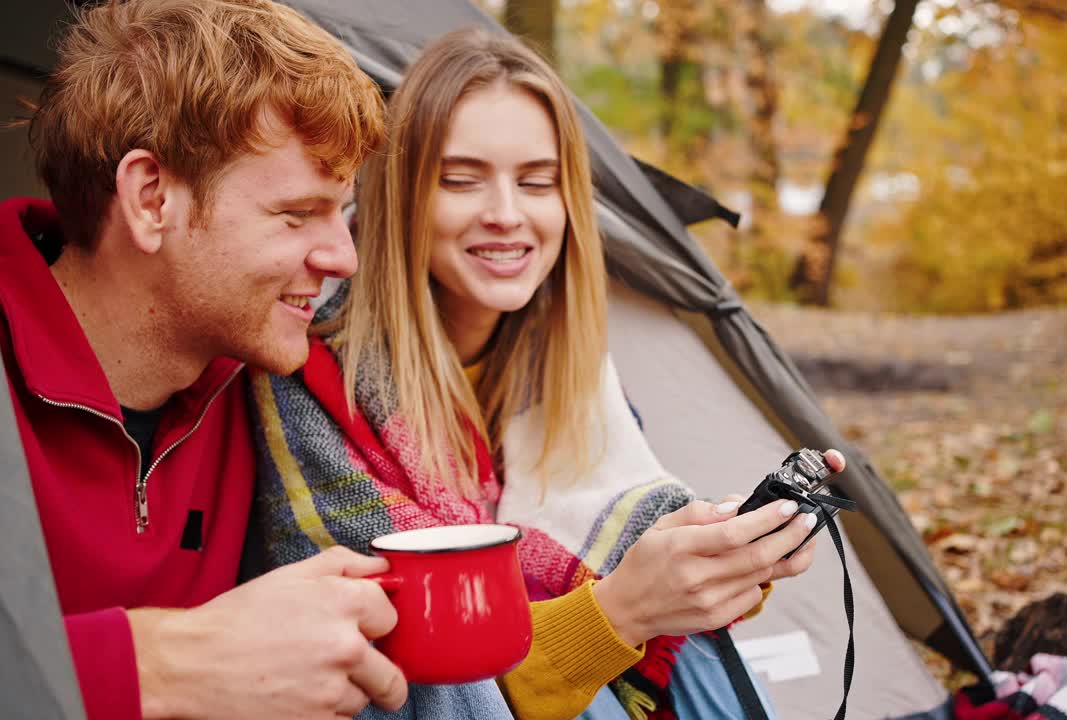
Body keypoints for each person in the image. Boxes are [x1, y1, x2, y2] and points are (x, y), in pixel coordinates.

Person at [249, 28, 844, 720]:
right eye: (462, 180)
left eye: (537, 182)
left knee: (703, 652)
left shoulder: (575, 381)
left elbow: (628, 553)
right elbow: (417, 696)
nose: (507, 215)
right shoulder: (311, 387)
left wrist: (718, 564)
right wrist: (618, 613)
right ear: (401, 196)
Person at [0, 1, 412, 717]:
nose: (343, 257)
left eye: (344, 211)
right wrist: (163, 663)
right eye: (297, 214)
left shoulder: (266, 384)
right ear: (152, 199)